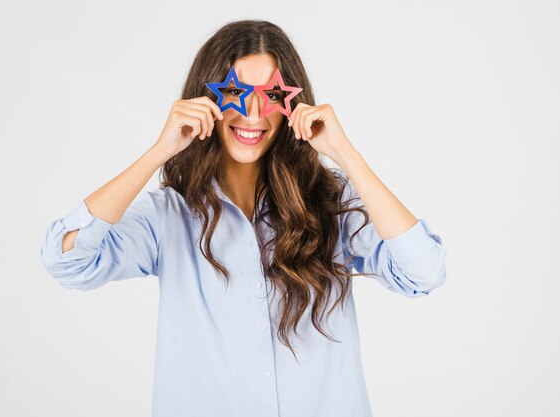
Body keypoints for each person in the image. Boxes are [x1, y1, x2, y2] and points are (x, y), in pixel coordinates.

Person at [40, 19, 446, 417]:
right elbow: (67, 260)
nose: (252, 114)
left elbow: (424, 270)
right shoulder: (169, 215)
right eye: (234, 90)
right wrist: (158, 152)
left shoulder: (331, 200)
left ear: (291, 103)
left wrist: (345, 153)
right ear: (206, 99)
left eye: (270, 94)